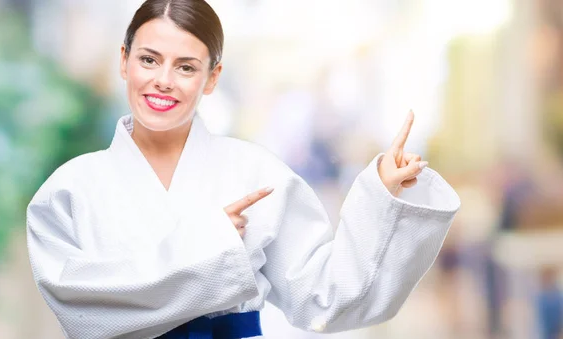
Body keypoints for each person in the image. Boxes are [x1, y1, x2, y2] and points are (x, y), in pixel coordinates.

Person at [26, 0, 461, 338]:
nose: (163, 80)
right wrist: (209, 246)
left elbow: (325, 299)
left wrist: (380, 198)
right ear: (124, 60)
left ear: (212, 78)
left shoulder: (257, 174)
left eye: (186, 67)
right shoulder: (68, 191)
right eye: (149, 60)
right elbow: (82, 310)